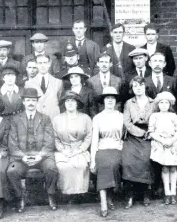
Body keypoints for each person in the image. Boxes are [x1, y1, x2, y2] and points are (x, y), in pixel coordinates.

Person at [6, 88, 58, 213]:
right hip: (22, 158)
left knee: (52, 168)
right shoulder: (15, 119)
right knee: (12, 171)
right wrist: (23, 157)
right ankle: (20, 198)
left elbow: (49, 141)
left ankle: (51, 196)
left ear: (37, 102)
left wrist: (39, 156)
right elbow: (12, 143)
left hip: (41, 157)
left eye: (33, 100)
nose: (30, 103)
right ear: (23, 102)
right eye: (28, 100)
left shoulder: (45, 118)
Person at [122, 76, 155, 208]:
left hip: (150, 136)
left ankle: (146, 193)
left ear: (145, 87)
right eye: (135, 86)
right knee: (128, 161)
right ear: (132, 88)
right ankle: (129, 195)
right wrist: (141, 133)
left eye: (141, 85)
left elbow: (158, 119)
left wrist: (151, 133)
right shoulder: (129, 103)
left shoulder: (154, 102)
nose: (138, 88)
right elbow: (127, 123)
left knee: (147, 161)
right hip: (133, 136)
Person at [90, 87, 124, 217]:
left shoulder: (121, 117)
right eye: (107, 98)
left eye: (112, 98)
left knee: (114, 164)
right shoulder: (97, 118)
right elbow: (94, 141)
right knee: (103, 165)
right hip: (102, 148)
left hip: (117, 148)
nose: (110, 100)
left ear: (116, 101)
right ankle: (103, 202)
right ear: (103, 101)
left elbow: (124, 137)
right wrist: (93, 160)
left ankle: (109, 195)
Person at [53, 91, 92, 197]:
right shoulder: (57, 119)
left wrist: (80, 150)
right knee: (62, 166)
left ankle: (79, 194)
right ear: (64, 103)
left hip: (80, 150)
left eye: (73, 101)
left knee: (80, 165)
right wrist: (62, 150)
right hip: (63, 150)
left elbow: (88, 137)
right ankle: (65, 194)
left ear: (77, 103)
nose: (70, 103)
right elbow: (55, 138)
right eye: (67, 101)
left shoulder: (85, 118)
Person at [148, 92, 177, 205]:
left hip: (173, 144)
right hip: (160, 144)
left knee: (173, 168)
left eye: (166, 103)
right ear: (158, 104)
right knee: (165, 168)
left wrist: (171, 140)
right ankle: (167, 193)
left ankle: (173, 193)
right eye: (161, 102)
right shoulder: (154, 116)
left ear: (170, 105)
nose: (164, 105)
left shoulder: (174, 116)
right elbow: (151, 132)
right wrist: (162, 141)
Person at [25, 55, 63, 120]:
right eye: (40, 63)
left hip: (53, 118)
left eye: (45, 63)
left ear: (49, 64)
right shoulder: (29, 84)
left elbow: (60, 100)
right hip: (36, 120)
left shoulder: (58, 82)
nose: (42, 66)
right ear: (36, 64)